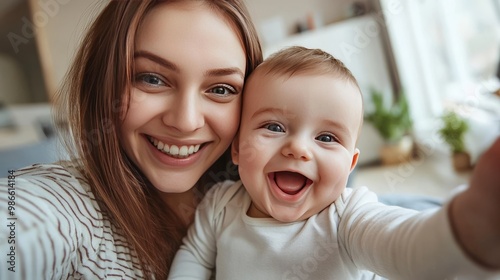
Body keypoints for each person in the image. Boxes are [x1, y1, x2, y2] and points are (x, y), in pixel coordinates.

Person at [168, 46, 500, 279]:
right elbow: (194, 259)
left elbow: (404, 247)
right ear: (237, 147)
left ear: (351, 164)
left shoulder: (347, 217)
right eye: (274, 127)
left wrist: (466, 229)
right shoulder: (219, 207)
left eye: (327, 138)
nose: (298, 149)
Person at [0, 0, 262, 279]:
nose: (186, 122)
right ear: (102, 83)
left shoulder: (278, 192)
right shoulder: (63, 207)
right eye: (151, 79)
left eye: (221, 89)